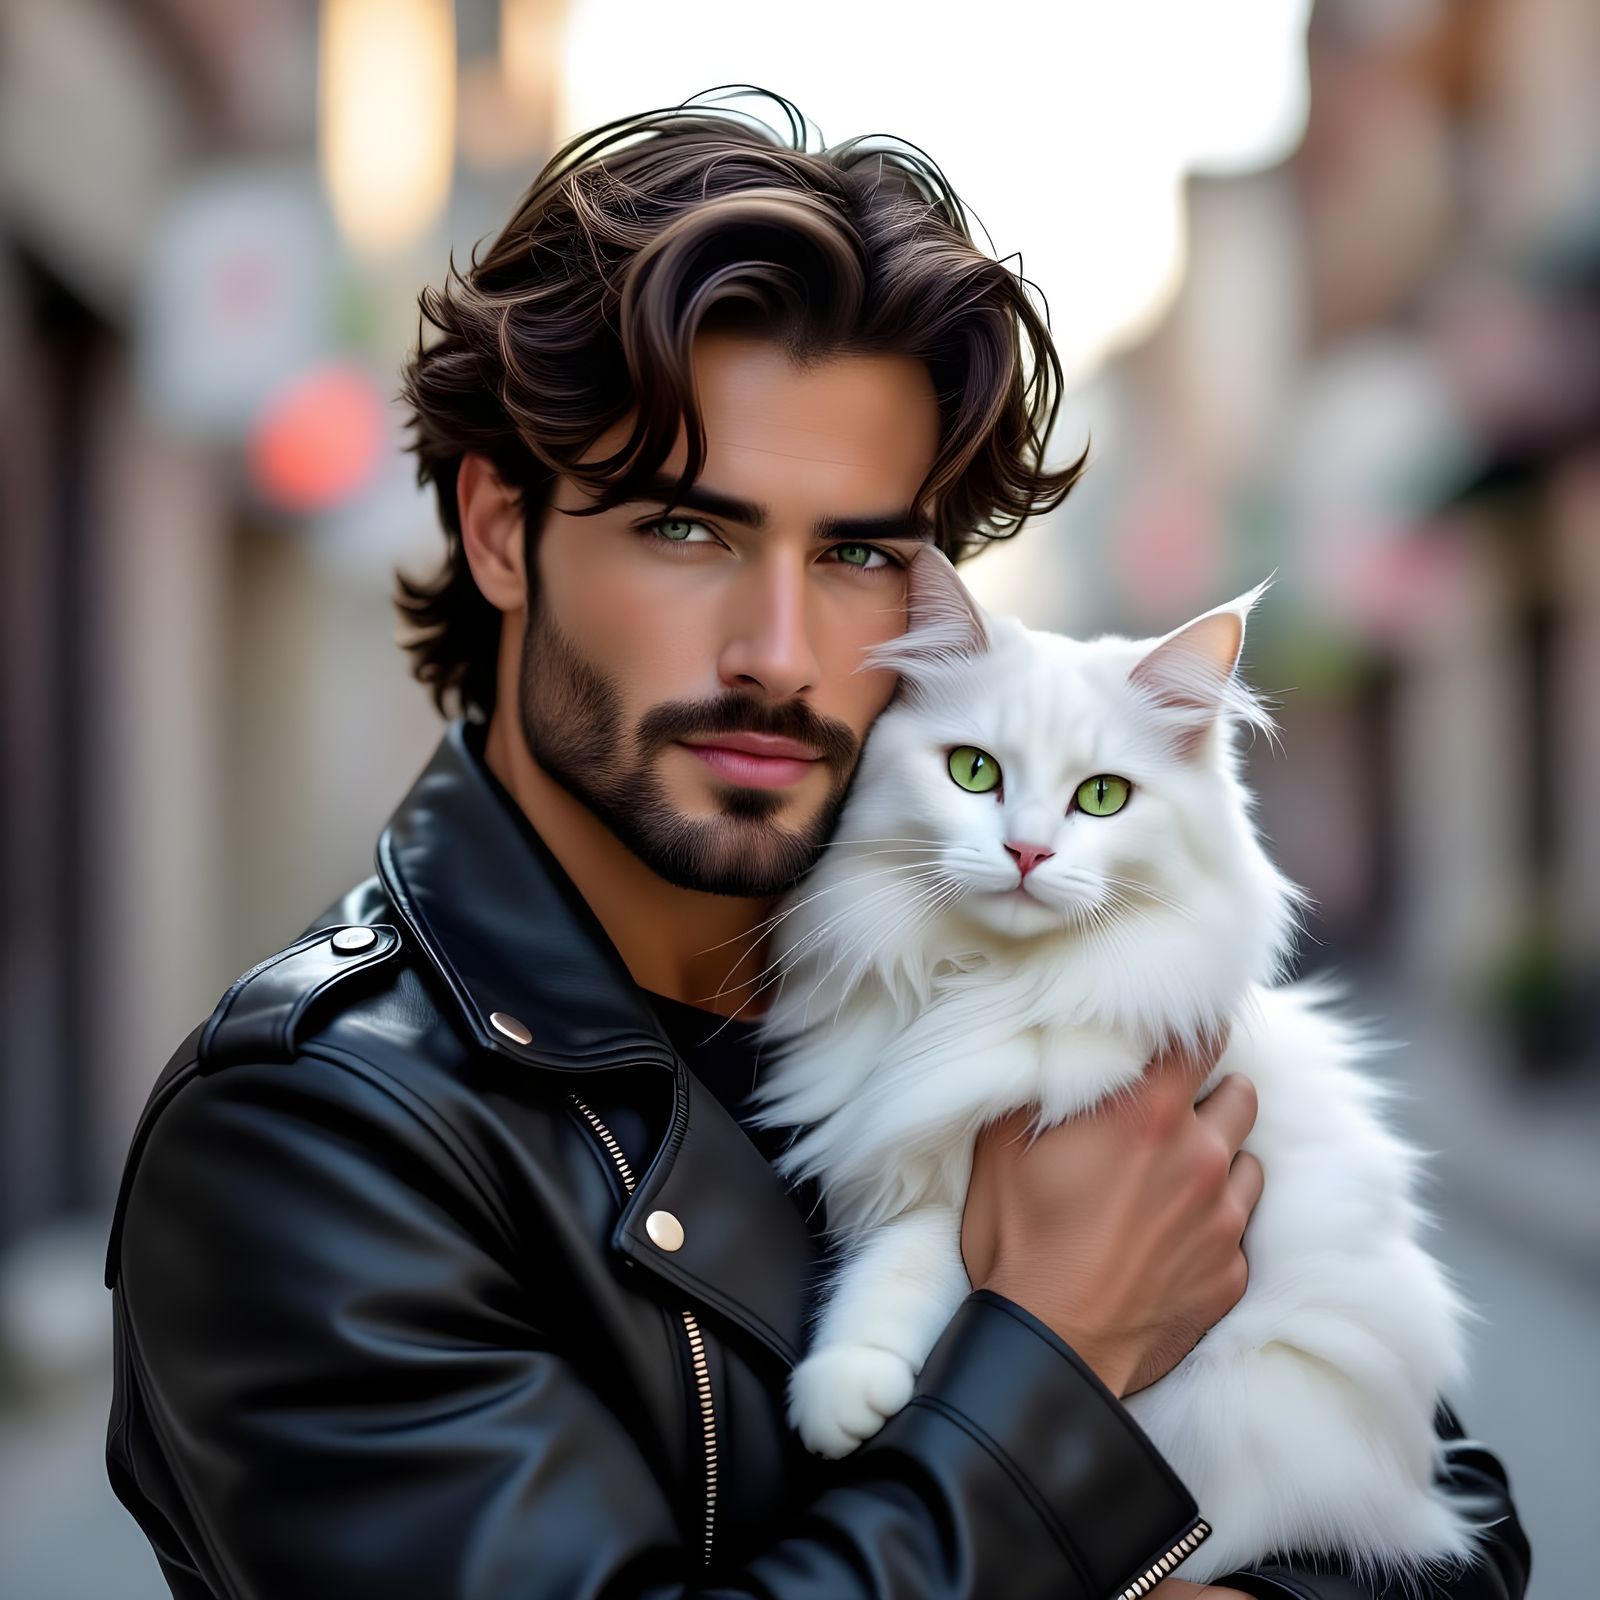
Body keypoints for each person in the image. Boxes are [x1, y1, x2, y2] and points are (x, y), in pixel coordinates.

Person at [103, 88, 1529, 1600]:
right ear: (504, 530)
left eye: (855, 554)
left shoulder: (1023, 963)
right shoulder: (306, 1139)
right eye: (687, 530)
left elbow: (1451, 1529)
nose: (779, 653)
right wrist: (1059, 1350)